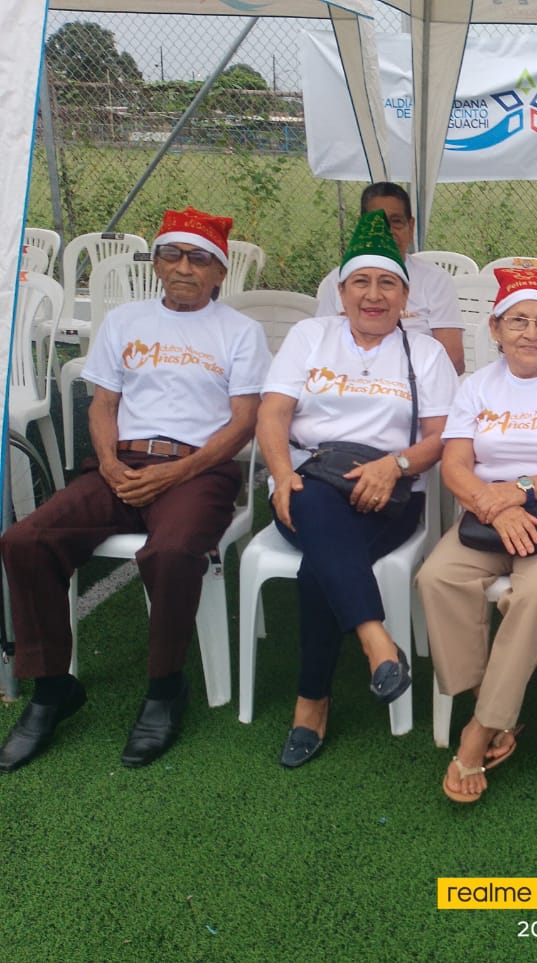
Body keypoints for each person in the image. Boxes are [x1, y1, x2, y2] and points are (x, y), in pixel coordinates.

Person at [0, 206, 270, 771]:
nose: (184, 268)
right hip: (121, 463)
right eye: (172, 254)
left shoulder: (239, 332)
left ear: (220, 273)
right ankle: (52, 690)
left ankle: (165, 689)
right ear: (157, 264)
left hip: (200, 470)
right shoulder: (125, 321)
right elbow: (103, 405)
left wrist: (178, 473)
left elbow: (244, 422)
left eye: (199, 259)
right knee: (26, 541)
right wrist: (107, 463)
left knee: (171, 553)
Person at [258, 209, 457, 768]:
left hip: (388, 495)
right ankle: (376, 643)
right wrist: (281, 474)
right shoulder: (310, 336)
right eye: (361, 282)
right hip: (306, 480)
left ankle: (312, 702)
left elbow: (443, 438)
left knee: (318, 566)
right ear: (341, 291)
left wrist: (395, 464)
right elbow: (273, 414)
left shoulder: (425, 353)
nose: (373, 295)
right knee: (314, 502)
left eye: (387, 283)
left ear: (405, 296)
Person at [418, 267, 537, 803]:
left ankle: (479, 729)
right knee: (437, 577)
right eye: (518, 321)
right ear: (495, 329)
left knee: (532, 595)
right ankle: (490, 700)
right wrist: (495, 505)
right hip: (490, 514)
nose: (531, 333)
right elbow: (455, 464)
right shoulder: (476, 386)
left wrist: (519, 490)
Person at [316, 182, 465, 374]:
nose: (387, 231)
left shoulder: (435, 280)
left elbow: (453, 361)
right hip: (348, 382)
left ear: (411, 227)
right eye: (378, 222)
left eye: (396, 222)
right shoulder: (337, 279)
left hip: (415, 382)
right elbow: (322, 349)